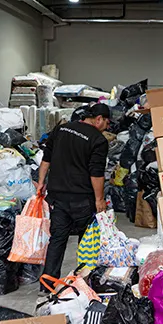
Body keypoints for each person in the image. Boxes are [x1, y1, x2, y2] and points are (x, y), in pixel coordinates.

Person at [35, 103, 111, 281]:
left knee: (57, 239)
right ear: (98, 119)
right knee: (87, 241)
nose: (107, 128)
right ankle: (82, 281)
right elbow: (96, 173)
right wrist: (99, 200)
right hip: (82, 198)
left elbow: (47, 158)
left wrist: (40, 183)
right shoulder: (98, 140)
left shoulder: (61, 129)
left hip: (58, 197)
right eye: (107, 123)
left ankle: (47, 284)